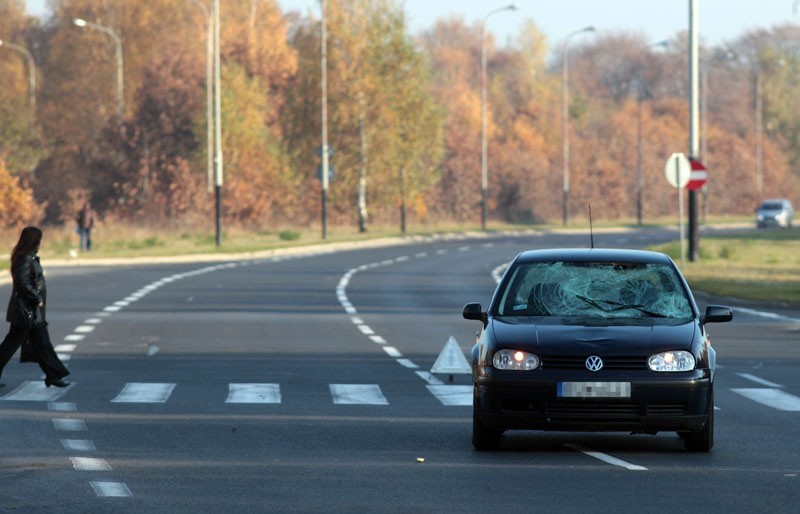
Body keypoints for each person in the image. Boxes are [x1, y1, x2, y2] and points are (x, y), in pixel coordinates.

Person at [0, 226, 70, 388]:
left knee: (36, 344)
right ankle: (53, 375)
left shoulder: (27, 257)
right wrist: (36, 297)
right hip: (27, 311)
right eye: (39, 240)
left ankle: (53, 375)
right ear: (33, 241)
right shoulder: (25, 258)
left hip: (29, 311)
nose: (40, 243)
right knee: (36, 344)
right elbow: (22, 282)